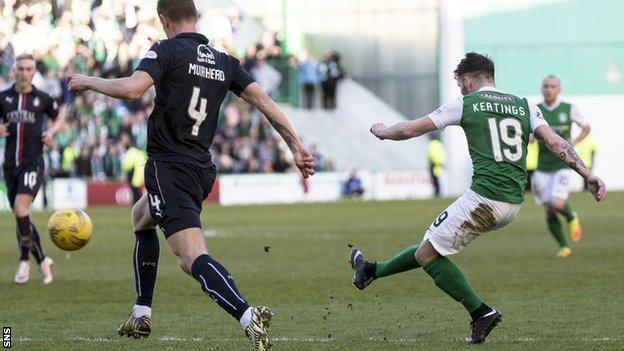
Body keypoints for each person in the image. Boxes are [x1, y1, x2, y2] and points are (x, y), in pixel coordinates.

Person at [67, 1, 314, 350]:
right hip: (200, 169)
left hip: (170, 167)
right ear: (195, 18)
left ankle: (248, 316)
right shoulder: (223, 60)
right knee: (141, 217)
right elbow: (265, 102)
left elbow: (133, 89)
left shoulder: (166, 50)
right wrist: (294, 145)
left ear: (164, 20)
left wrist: (86, 81)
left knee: (191, 257)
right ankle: (141, 313)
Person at [348, 53, 606, 344]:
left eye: (461, 84)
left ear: (468, 80)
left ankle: (481, 311)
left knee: (427, 255)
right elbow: (557, 143)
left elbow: (409, 129)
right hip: (512, 202)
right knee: (430, 243)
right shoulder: (525, 106)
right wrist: (587, 174)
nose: (461, 89)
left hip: (484, 199)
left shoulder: (467, 103)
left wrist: (382, 132)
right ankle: (371, 270)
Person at [0, 53, 65, 284]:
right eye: (20, 69)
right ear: (14, 71)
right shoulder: (4, 98)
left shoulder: (43, 98)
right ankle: (43, 260)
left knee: (20, 207)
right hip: (10, 165)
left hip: (33, 162)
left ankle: (24, 262)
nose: (24, 73)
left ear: (34, 72)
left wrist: (51, 133)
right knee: (21, 216)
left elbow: (58, 116)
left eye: (29, 69)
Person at [533, 76, 591, 258]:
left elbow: (586, 127)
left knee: (557, 202)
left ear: (559, 89)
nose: (549, 89)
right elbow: (530, 133)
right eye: (545, 86)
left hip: (563, 164)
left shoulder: (569, 108)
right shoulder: (536, 110)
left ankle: (571, 216)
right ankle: (564, 247)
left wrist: (574, 140)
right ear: (541, 88)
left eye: (552, 86)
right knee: (549, 209)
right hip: (542, 166)